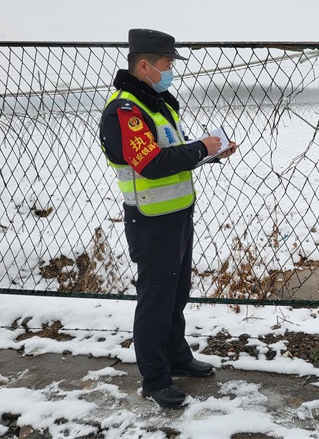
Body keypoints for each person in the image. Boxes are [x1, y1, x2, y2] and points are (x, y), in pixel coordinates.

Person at [99, 28, 237, 409]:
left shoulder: (157, 104)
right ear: (144, 66)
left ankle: (177, 355)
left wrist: (210, 153)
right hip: (151, 220)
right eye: (166, 63)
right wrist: (200, 147)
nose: (171, 69)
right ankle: (155, 378)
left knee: (177, 294)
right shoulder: (125, 110)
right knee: (156, 299)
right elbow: (152, 163)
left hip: (176, 214)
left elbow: (172, 153)